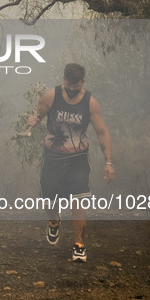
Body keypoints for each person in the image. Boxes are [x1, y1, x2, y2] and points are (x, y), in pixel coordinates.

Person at [27, 63, 114, 262]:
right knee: (49, 201)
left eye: (76, 86)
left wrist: (109, 162)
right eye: (69, 85)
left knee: (79, 201)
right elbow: (37, 115)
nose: (72, 90)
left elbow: (102, 133)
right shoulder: (51, 96)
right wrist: (33, 120)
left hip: (78, 159)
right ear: (64, 80)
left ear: (83, 81)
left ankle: (79, 244)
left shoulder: (90, 103)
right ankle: (54, 222)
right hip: (53, 158)